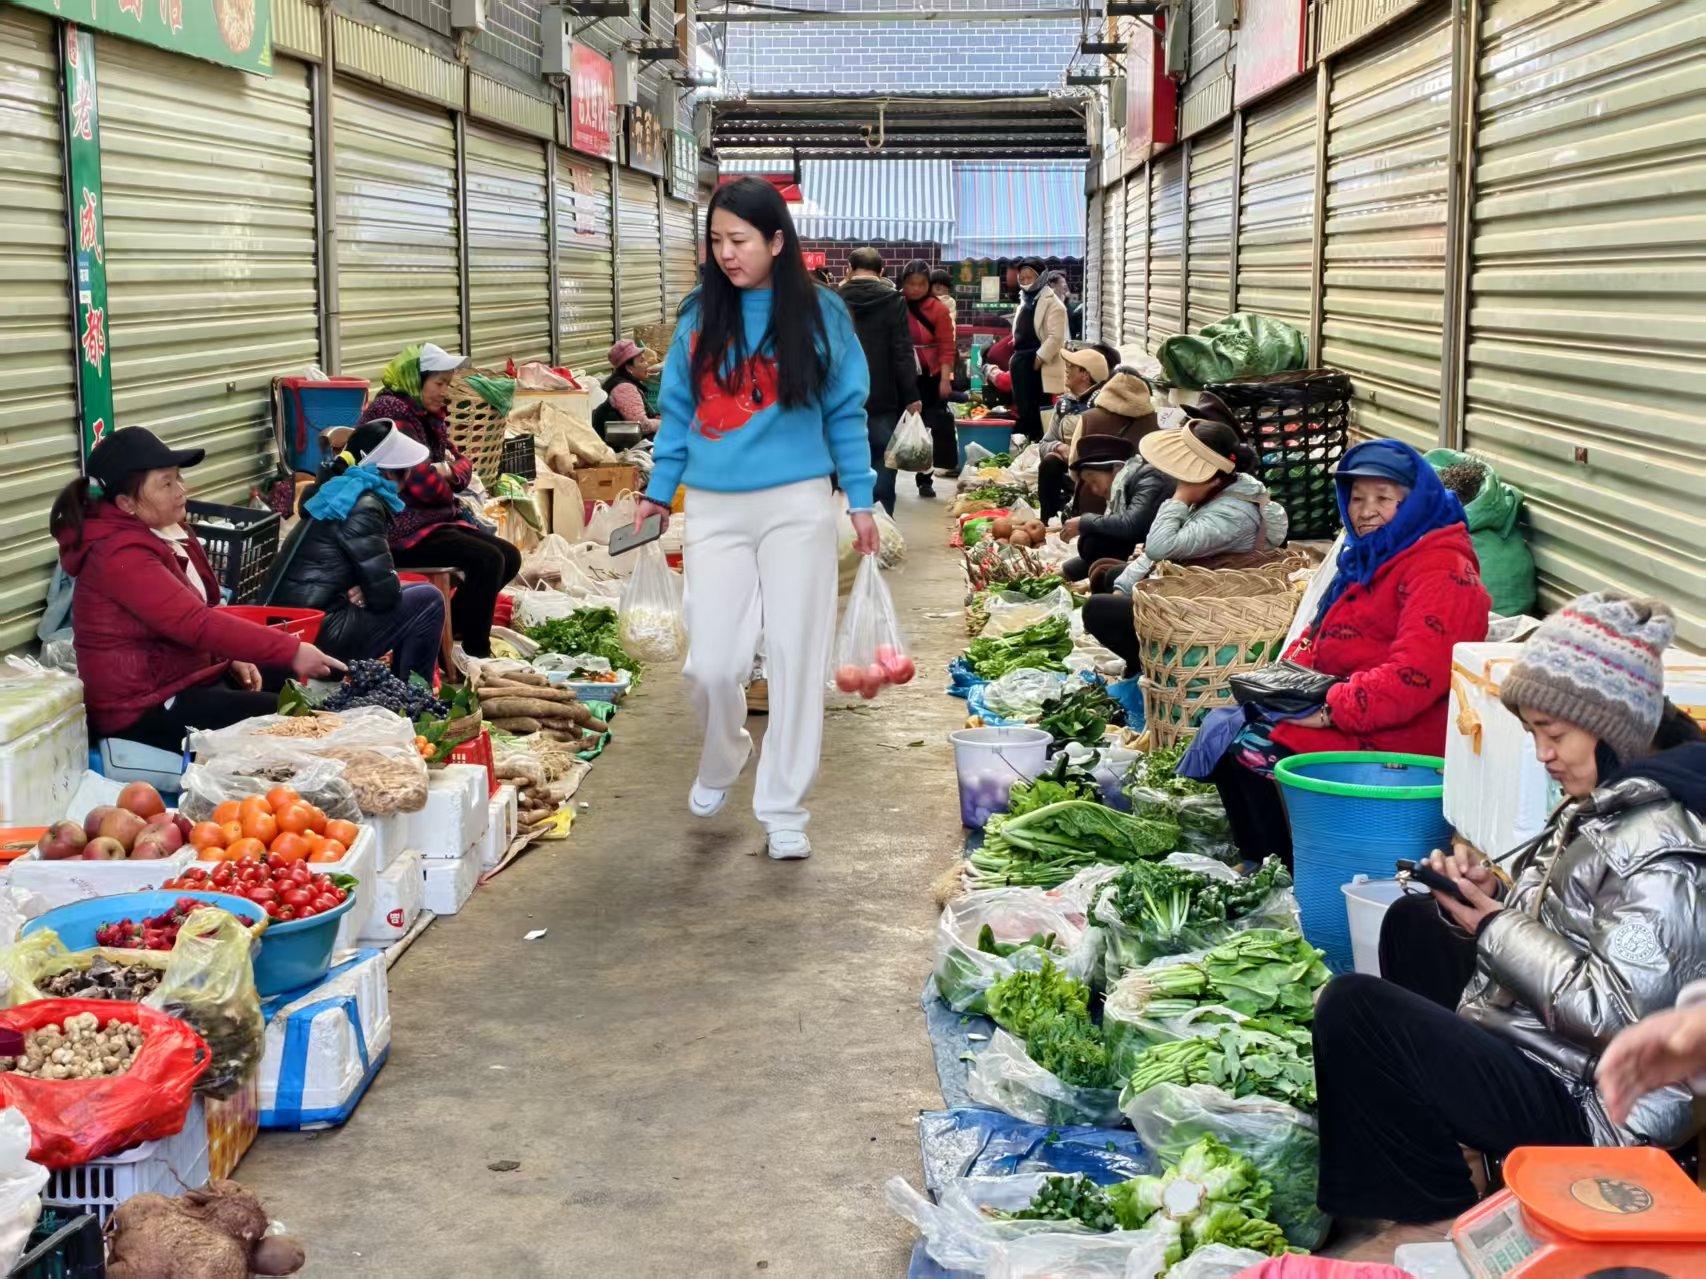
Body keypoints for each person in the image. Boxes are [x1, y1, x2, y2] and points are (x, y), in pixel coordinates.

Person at [1313, 592, 1706, 1223]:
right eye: (1533, 735)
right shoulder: (1608, 797)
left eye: (1554, 734)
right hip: (1550, 1050)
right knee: (1414, 923)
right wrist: (1485, 896)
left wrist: (1495, 926)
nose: (1544, 755)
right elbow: (1564, 922)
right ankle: (1453, 1153)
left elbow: (1620, 1017)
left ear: (1612, 729)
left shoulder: (1660, 848)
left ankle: (1431, 1215)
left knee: (1354, 1011)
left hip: (1596, 1110)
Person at [631, 176, 878, 862]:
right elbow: (677, 416)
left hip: (798, 502)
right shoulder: (699, 316)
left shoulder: (823, 315)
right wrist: (658, 493)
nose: (726, 253)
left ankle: (784, 807)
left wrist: (860, 501)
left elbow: (845, 414)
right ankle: (725, 753)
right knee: (711, 663)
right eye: (716, 241)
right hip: (714, 506)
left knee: (798, 656)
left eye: (739, 240)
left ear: (776, 241)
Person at [1209, 439, 1491, 867]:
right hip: (1351, 701)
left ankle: (1286, 867)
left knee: (1251, 750)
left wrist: (1328, 710)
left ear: (1415, 503)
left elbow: (1415, 676)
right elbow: (1320, 634)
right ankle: (1261, 864)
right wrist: (1284, 685)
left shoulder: (1443, 570)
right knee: (1224, 726)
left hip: (1403, 728)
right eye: (1357, 498)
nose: (1366, 511)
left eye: (1383, 498)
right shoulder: (1373, 555)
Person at [51, 427, 344, 751]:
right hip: (139, 710)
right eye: (166, 483)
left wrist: (230, 657)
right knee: (287, 717)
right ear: (126, 503)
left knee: (284, 682)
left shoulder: (162, 533)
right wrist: (293, 650)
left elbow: (202, 611)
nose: (181, 490)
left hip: (182, 679)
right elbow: (194, 623)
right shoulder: (119, 554)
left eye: (178, 477)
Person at [1079, 422, 1289, 670]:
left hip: (1213, 615)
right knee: (1113, 576)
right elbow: (1152, 557)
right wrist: (1122, 588)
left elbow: (1158, 548)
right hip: (1200, 588)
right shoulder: (1219, 488)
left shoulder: (1232, 514)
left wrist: (1180, 497)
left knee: (1097, 610)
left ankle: (1156, 669)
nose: (1179, 478)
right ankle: (1142, 661)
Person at [360, 341, 523, 659]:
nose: (445, 392)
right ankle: (477, 652)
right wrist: (445, 481)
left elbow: (463, 467)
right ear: (415, 379)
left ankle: (449, 628)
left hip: (429, 521)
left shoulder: (425, 414)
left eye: (447, 384)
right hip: (398, 529)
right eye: (439, 383)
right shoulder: (392, 414)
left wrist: (446, 470)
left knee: (508, 556)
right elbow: (422, 486)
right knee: (488, 560)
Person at [264, 420, 447, 685]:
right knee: (429, 600)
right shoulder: (363, 505)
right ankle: (415, 698)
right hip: (315, 635)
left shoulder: (339, 490)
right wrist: (373, 589)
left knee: (418, 592)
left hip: (296, 624)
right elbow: (385, 595)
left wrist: (369, 588)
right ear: (390, 473)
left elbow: (375, 583)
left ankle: (406, 692)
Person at [839, 247, 920, 516]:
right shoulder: (893, 300)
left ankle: (846, 523)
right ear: (881, 271)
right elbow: (902, 350)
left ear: (849, 270)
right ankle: (883, 523)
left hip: (842, 397)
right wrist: (911, 394)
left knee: (843, 457)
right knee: (883, 457)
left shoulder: (834, 299)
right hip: (883, 395)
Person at [900, 260, 957, 498]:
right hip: (900, 374)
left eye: (921, 284)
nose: (915, 289)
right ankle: (889, 473)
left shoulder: (938, 309)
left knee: (926, 427)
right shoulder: (894, 304)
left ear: (929, 285)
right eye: (910, 283)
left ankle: (925, 479)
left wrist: (945, 379)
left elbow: (947, 347)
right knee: (896, 424)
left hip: (929, 377)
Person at [1037, 348, 1108, 522]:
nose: (1066, 370)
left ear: (1085, 375)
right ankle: (1047, 523)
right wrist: (1059, 447)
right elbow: (1044, 444)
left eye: (1071, 367)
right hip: (1068, 466)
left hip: (1094, 468)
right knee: (1049, 463)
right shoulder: (1064, 405)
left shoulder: (1103, 404)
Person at [1009, 260, 1068, 444]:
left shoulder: (1053, 304)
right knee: (1023, 406)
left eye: (1030, 277)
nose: (1026, 281)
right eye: (1022, 278)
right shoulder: (1025, 298)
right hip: (1020, 360)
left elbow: (1055, 337)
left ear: (1041, 277)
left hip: (1037, 363)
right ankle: (1027, 443)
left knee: (1037, 407)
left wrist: (1039, 358)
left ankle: (1038, 444)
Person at [592, 339, 660, 438]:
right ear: (629, 368)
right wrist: (667, 424)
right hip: (626, 445)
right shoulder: (624, 389)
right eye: (642, 361)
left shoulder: (625, 384)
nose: (647, 364)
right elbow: (642, 425)